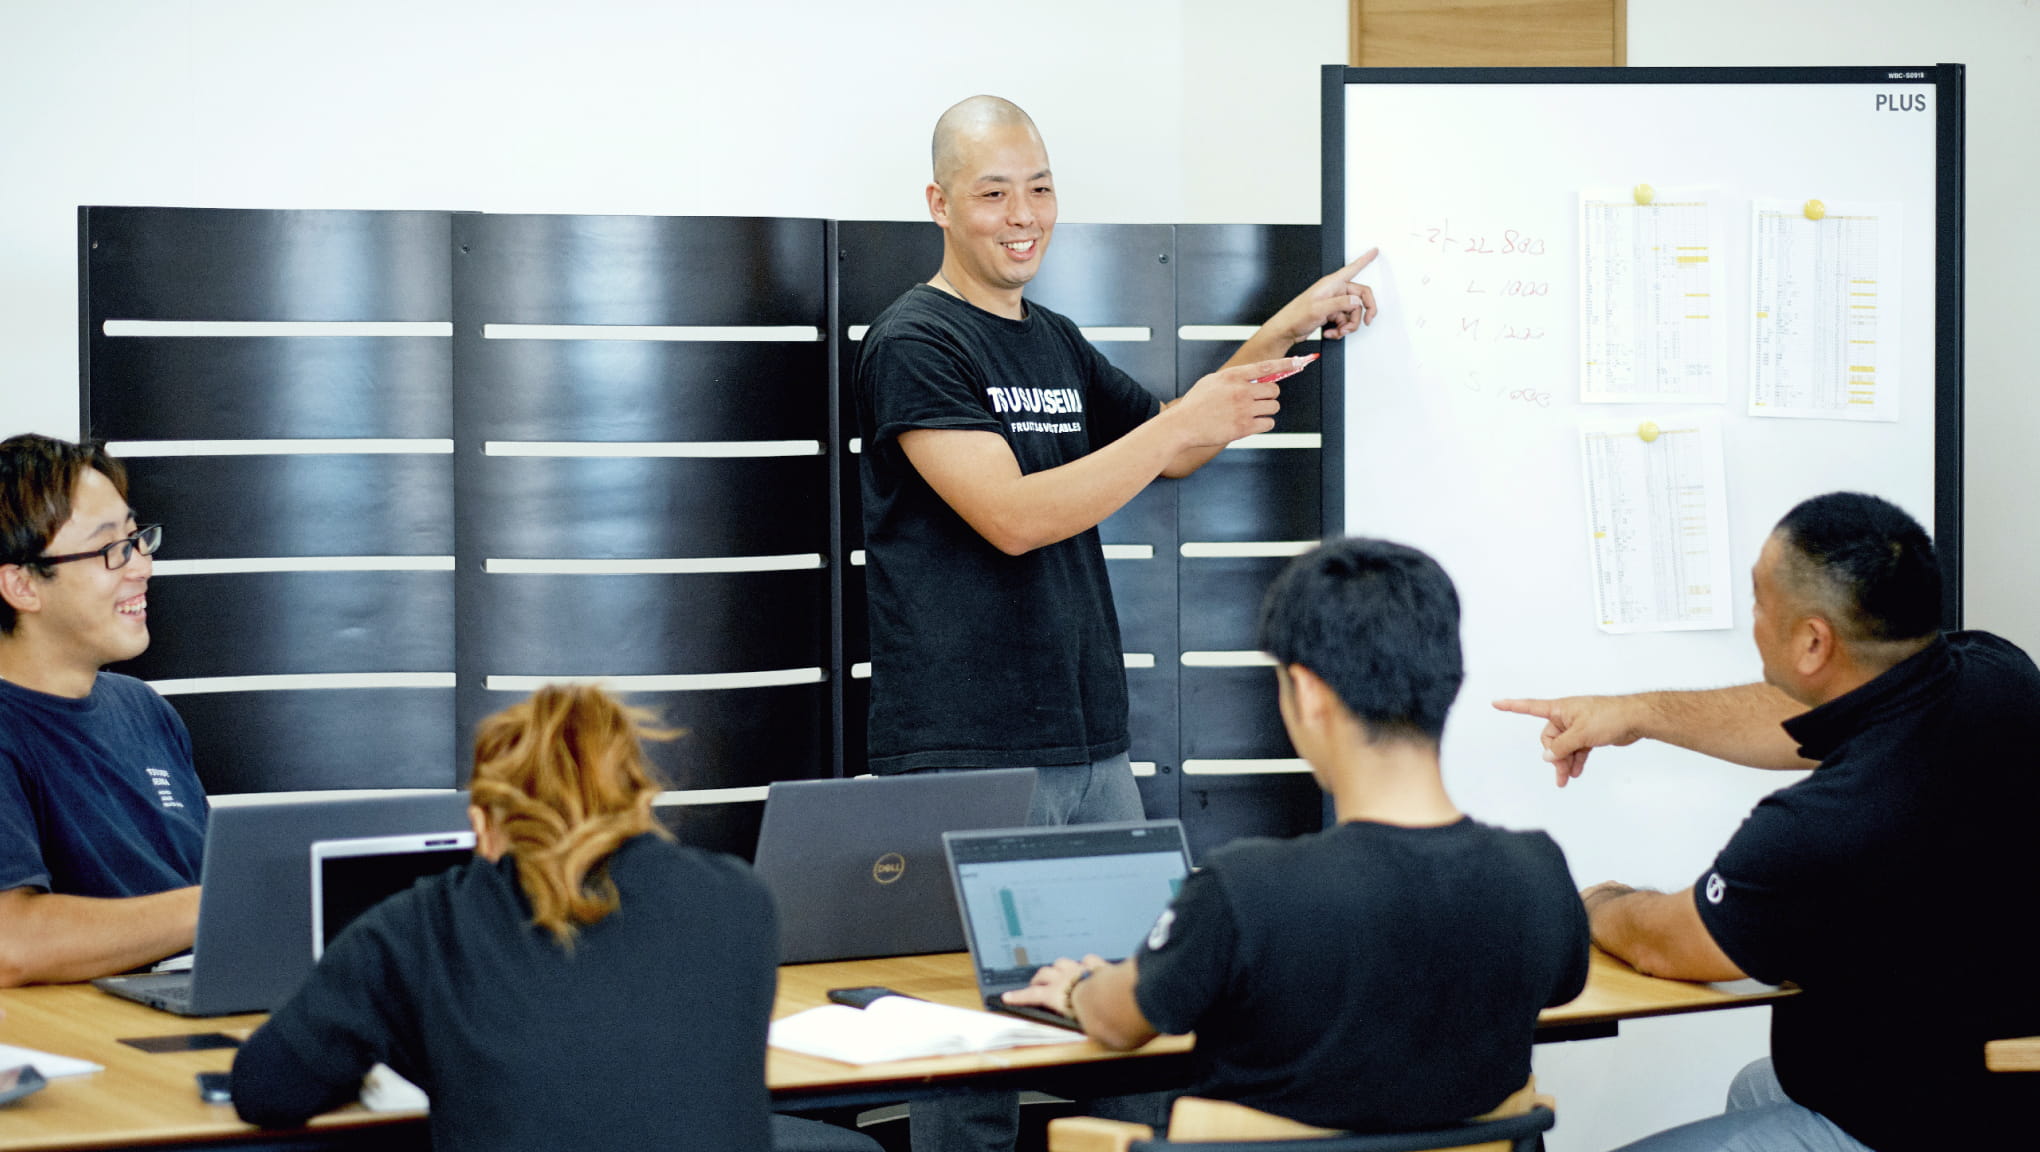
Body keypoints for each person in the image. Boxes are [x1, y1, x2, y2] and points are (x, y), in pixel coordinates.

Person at [855, 93, 1379, 829]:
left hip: (1090, 741)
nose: (1024, 215)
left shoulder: (1054, 337)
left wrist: (1288, 327)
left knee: (1125, 947)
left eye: (1040, 188)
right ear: (940, 204)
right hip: (969, 747)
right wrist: (1177, 430)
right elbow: (1011, 517)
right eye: (994, 193)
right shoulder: (914, 342)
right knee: (980, 952)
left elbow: (1175, 445)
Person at [1494, 492, 2040, 1150]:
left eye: (1758, 600)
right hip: (1989, 1078)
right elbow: (1804, 717)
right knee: (1757, 1085)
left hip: (1919, 1122)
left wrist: (1597, 903)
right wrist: (1634, 711)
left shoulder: (1828, 820)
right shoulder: (1997, 675)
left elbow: (1666, 944)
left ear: (1812, 641)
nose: (1752, 618)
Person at [1005, 537, 1590, 1132]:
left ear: (1308, 693)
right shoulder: (1537, 873)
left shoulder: (1243, 890)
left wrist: (1079, 988)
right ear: (1450, 681)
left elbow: (1117, 1020)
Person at [231, 685, 877, 1152]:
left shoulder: (423, 926)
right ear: (638, 800)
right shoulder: (741, 903)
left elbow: (267, 1090)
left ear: (483, 828)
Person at [0, 433, 201, 987]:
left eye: (137, 539)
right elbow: (10, 942)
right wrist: (223, 903)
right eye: (111, 548)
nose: (142, 567)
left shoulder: (143, 710)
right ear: (21, 584)